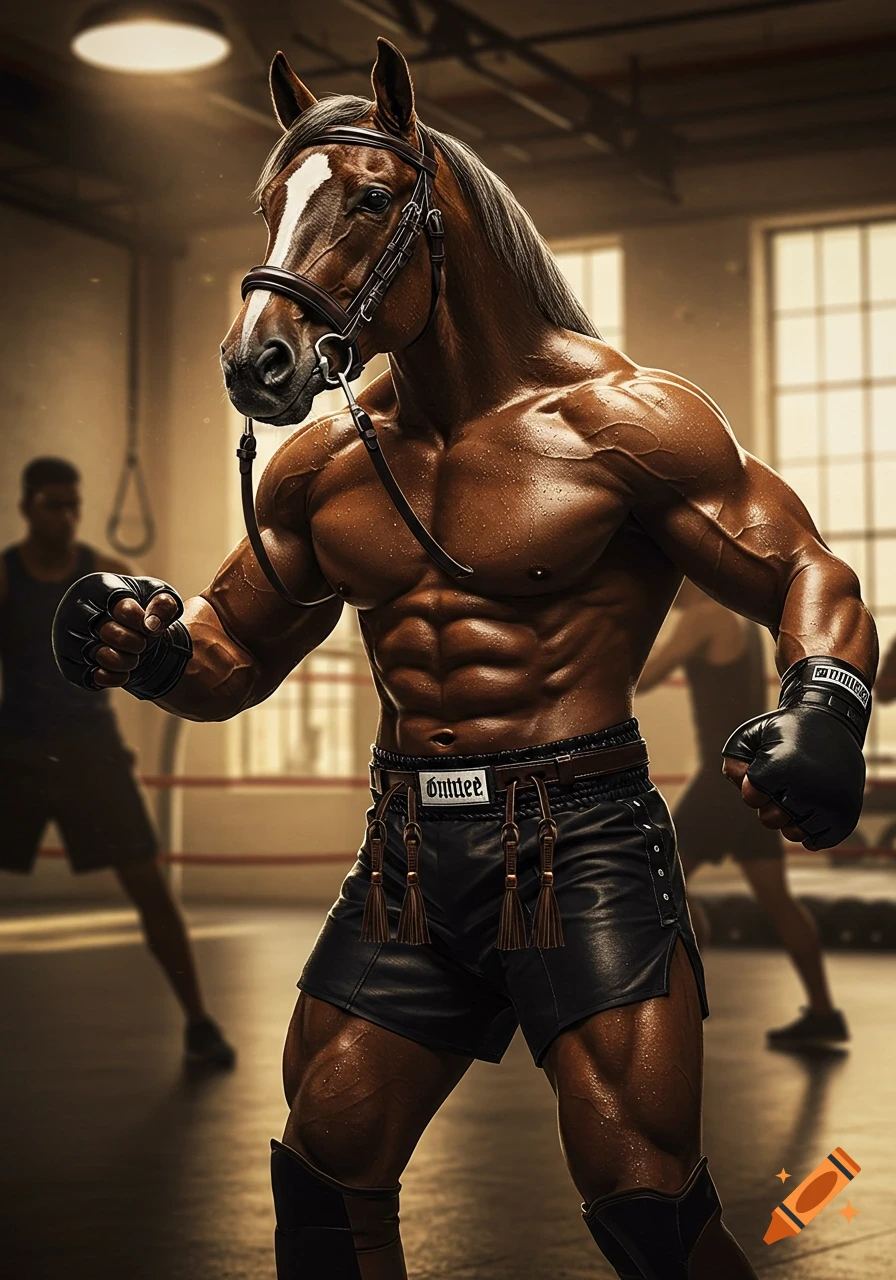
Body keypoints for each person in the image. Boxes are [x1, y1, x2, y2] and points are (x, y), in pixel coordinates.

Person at [53, 42, 875, 1280]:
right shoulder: (324, 466)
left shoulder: (620, 424)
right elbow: (228, 662)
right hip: (403, 859)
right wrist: (143, 645)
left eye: (351, 218)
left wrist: (823, 701)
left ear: (424, 217)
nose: (294, 272)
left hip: (579, 842)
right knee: (323, 1167)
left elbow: (803, 572)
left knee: (642, 1199)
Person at [0, 456, 234, 1069]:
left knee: (149, 888)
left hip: (91, 755)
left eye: (74, 503)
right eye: (55, 503)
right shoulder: (4, 578)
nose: (68, 515)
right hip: (18, 754)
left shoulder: (106, 577)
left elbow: (160, 624)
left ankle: (199, 1023)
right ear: (27, 507)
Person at [638, 579, 849, 1049]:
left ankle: (686, 1003)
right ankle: (822, 1012)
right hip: (754, 779)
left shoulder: (703, 619)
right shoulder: (741, 624)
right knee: (775, 900)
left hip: (721, 784)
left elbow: (644, 675)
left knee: (662, 882)